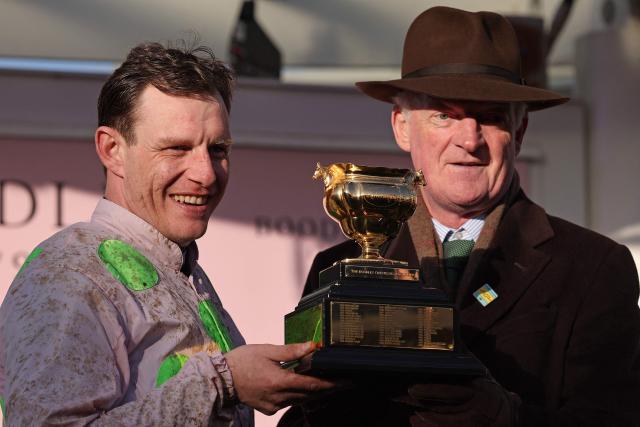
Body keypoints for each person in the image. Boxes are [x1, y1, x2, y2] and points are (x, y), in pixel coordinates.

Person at [280, 6, 640, 427]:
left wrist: (504, 417)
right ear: (402, 127)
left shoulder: (592, 268)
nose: (469, 140)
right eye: (444, 116)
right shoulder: (337, 267)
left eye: (490, 118)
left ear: (519, 133)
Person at [0, 41, 335, 426]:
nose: (206, 174)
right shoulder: (68, 274)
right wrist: (223, 383)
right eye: (176, 148)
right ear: (112, 149)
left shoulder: (180, 266)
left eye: (218, 149)